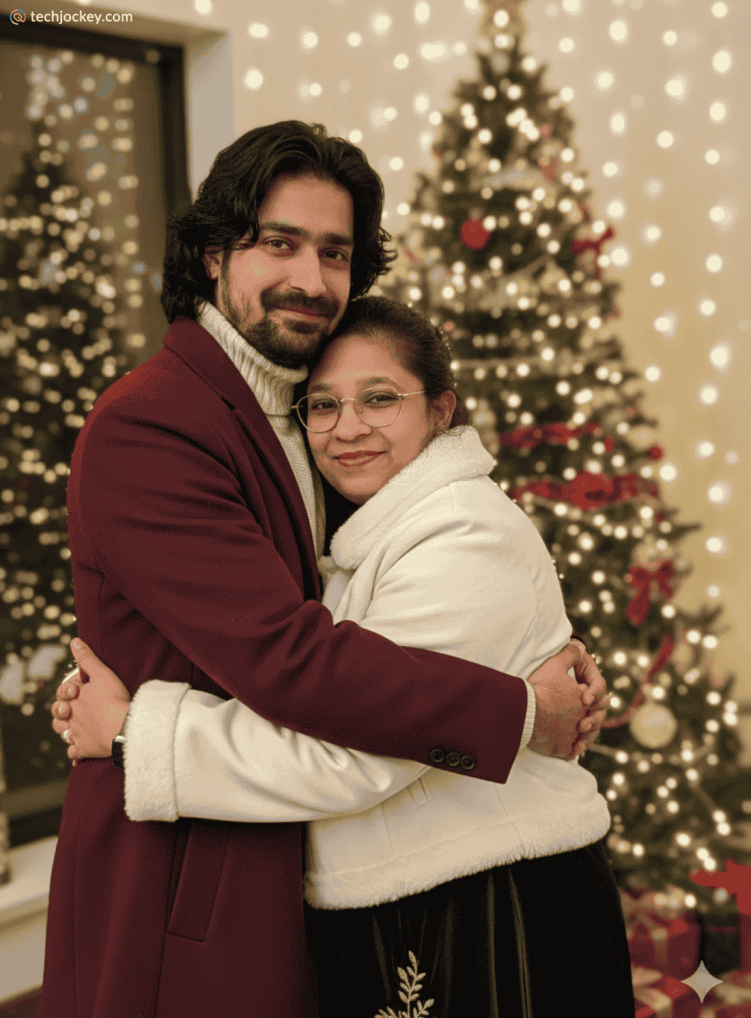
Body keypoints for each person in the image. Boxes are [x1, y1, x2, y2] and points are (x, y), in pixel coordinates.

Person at [46, 121, 606, 1018]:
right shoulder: (151, 424)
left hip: (304, 856)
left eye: (334, 252)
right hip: (187, 873)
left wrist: (525, 639)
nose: (309, 279)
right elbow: (291, 656)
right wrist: (518, 710)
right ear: (208, 255)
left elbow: (404, 593)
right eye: (278, 243)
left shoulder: (306, 418)